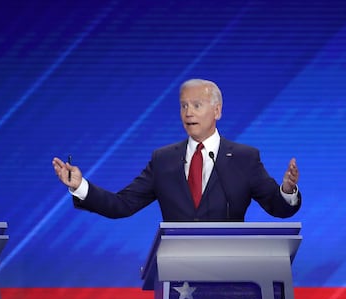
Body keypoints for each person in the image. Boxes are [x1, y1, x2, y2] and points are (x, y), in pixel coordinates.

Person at [52, 78, 301, 221]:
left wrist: (287, 191)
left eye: (196, 105)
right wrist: (79, 186)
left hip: (231, 277)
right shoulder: (163, 160)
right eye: (183, 106)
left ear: (217, 111)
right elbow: (122, 205)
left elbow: (277, 206)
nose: (188, 113)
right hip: (178, 281)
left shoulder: (244, 158)